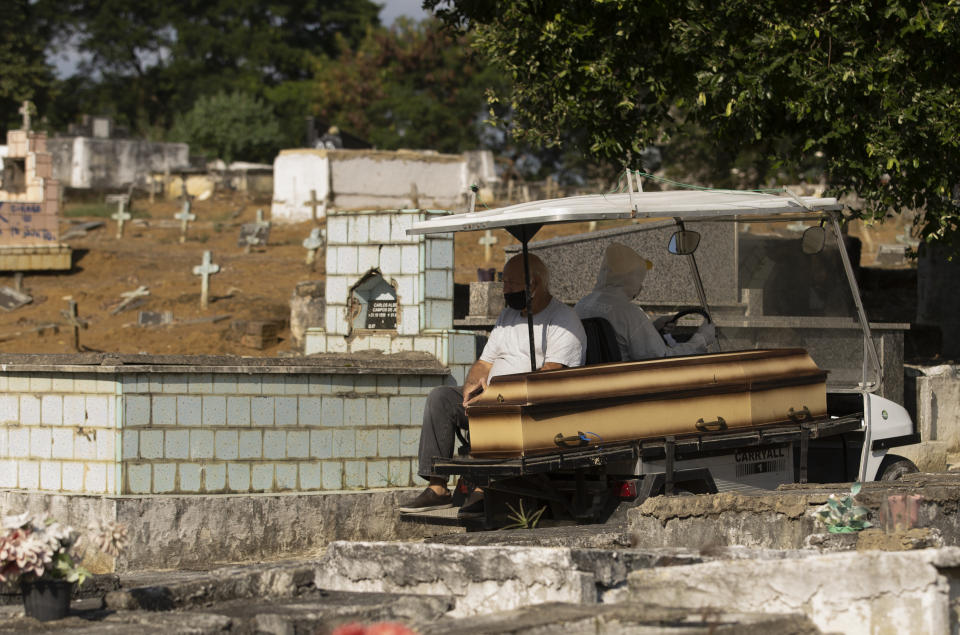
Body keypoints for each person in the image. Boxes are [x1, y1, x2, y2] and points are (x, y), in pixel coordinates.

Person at [399, 253, 587, 513]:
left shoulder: (564, 321)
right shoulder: (508, 316)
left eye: (510, 283)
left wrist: (503, 393)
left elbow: (552, 376)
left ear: (533, 283)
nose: (504, 289)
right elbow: (484, 363)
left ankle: (482, 490)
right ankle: (437, 487)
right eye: (503, 281)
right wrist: (471, 389)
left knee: (495, 411)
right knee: (441, 398)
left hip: (531, 409)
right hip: (492, 399)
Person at [575, 242, 716, 361]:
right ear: (630, 278)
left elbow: (618, 340)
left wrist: (652, 328)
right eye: (640, 279)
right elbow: (662, 359)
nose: (641, 286)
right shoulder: (629, 313)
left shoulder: (582, 304)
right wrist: (701, 339)